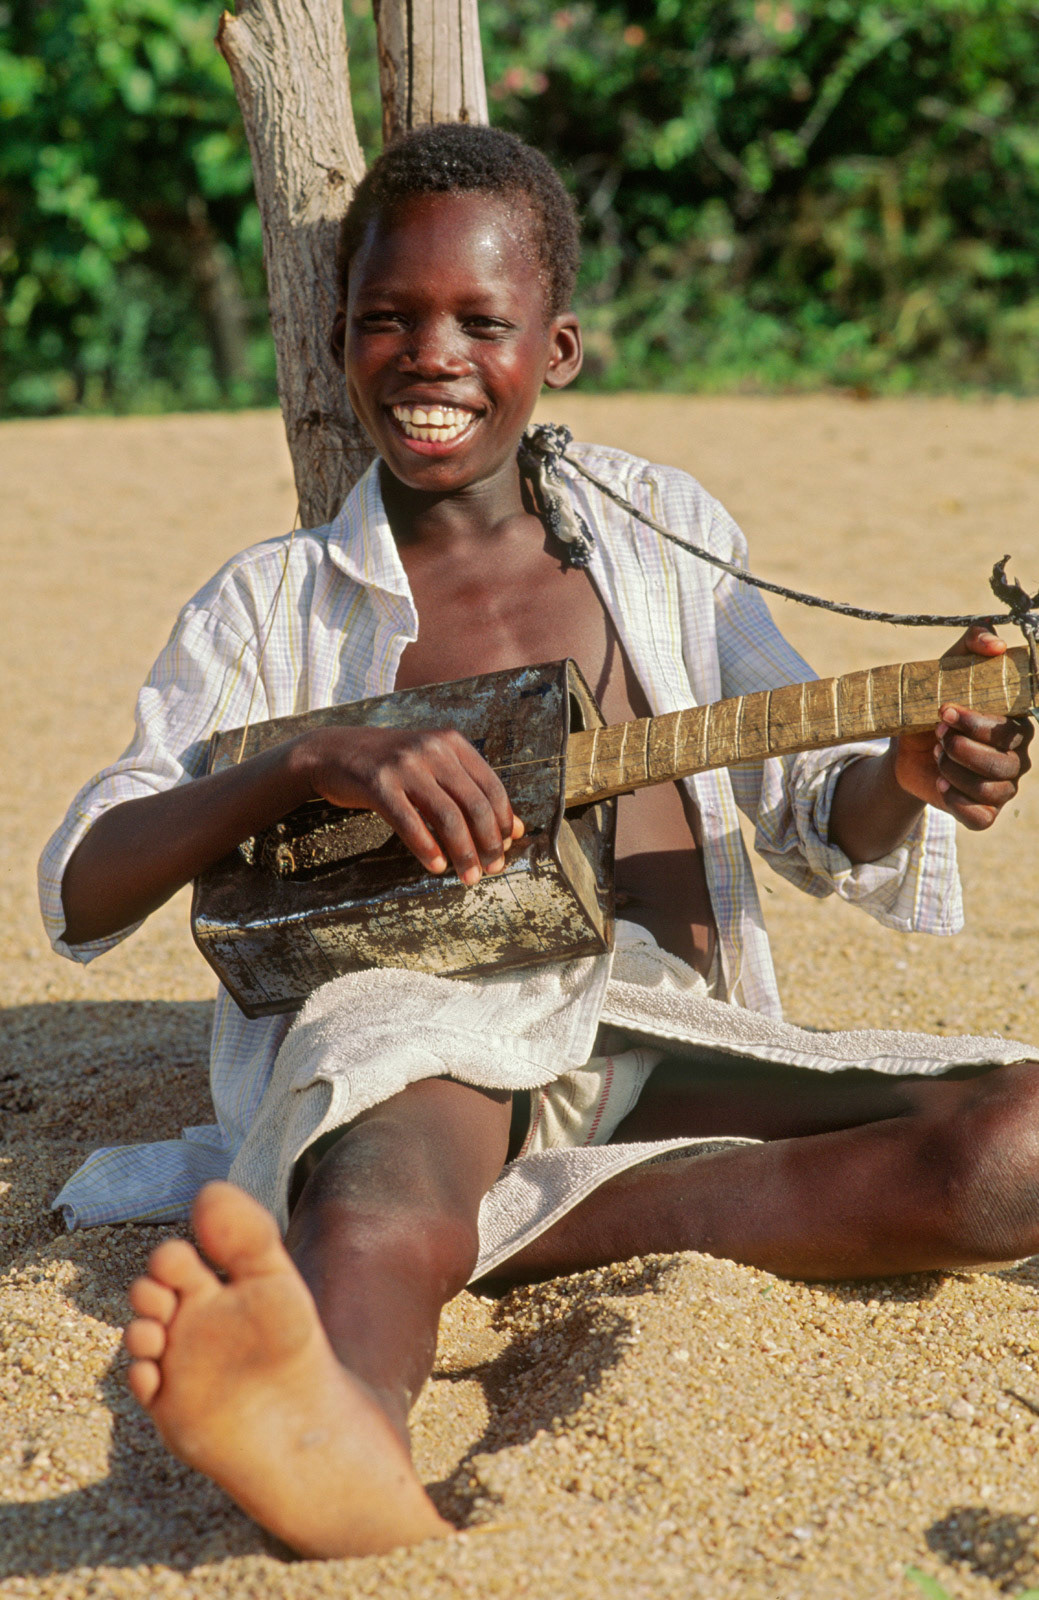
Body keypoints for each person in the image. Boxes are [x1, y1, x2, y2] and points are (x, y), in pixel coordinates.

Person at [39, 123, 1035, 1559]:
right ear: (336, 342)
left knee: (1015, 1143)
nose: (430, 355)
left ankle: (507, 1223)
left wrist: (909, 769)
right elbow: (84, 880)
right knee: (390, 1182)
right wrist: (309, 759)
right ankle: (348, 1438)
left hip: (662, 1032)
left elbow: (817, 814)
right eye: (388, 318)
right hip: (422, 1022)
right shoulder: (272, 608)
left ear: (556, 347)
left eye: (479, 323)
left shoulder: (664, 535)